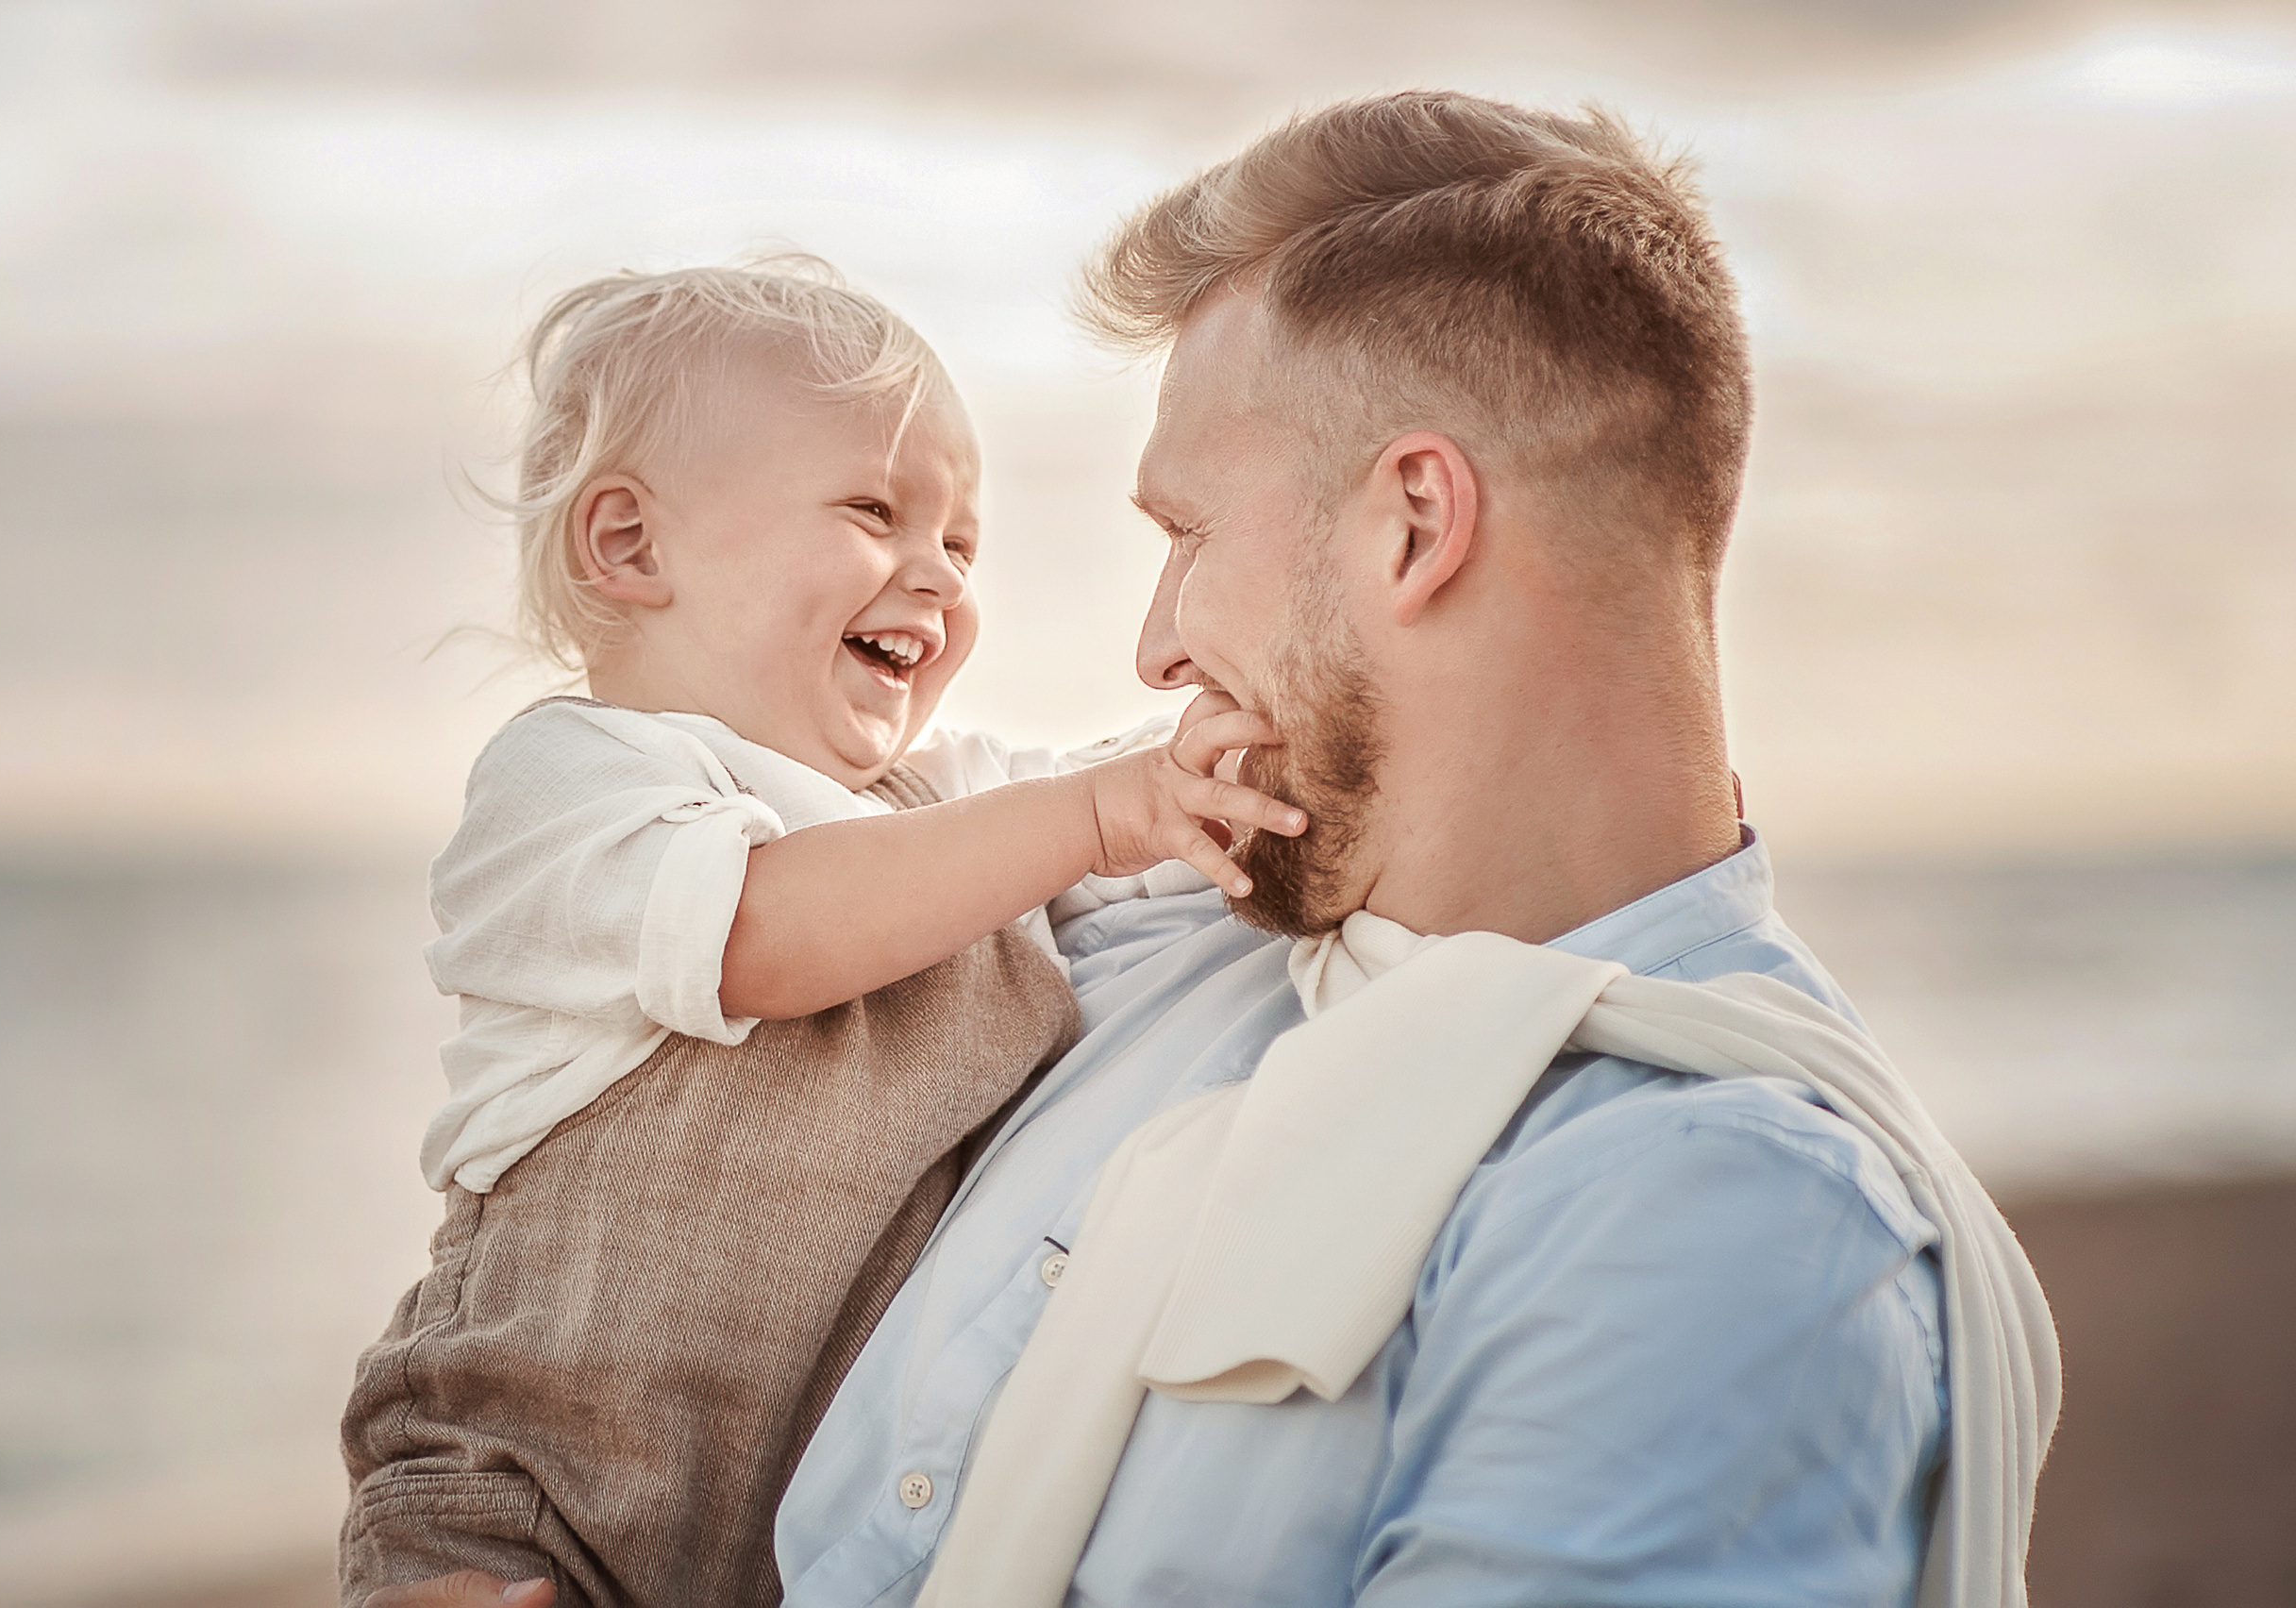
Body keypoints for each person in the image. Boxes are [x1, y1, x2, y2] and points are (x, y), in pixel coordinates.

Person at [374, 92, 2053, 1608]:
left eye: (1186, 533)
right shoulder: (1150, 935)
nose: (1156, 648)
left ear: (1415, 525)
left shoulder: (1701, 1227)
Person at [336, 261, 1305, 1608]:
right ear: (631, 546)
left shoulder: (953, 805)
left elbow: (1147, 794)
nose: (939, 573)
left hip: (796, 1541)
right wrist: (1098, 813)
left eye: (962, 544)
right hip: (526, 1492)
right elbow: (761, 934)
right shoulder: (574, 783)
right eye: (874, 512)